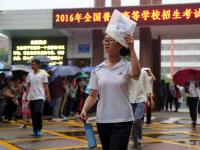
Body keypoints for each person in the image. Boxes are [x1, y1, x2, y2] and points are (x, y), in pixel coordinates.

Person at [80, 31, 141, 150]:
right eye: (105, 40)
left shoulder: (127, 66)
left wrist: (132, 49)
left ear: (120, 45)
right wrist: (84, 109)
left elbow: (137, 74)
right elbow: (93, 95)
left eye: (111, 40)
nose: (107, 43)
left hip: (123, 119)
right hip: (103, 119)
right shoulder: (97, 69)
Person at [26, 59, 51, 136]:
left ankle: (39, 128)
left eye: (33, 64)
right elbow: (28, 86)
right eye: (31, 64)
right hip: (32, 96)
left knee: (38, 112)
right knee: (33, 114)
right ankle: (35, 130)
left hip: (40, 96)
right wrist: (26, 96)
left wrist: (48, 96)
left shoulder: (43, 73)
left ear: (38, 65)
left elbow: (46, 86)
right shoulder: (30, 74)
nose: (32, 66)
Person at [128, 68, 152, 149]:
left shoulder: (143, 73)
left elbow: (147, 86)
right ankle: (135, 141)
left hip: (141, 99)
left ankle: (139, 136)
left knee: (137, 120)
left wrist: (149, 99)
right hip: (130, 99)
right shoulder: (127, 72)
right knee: (132, 122)